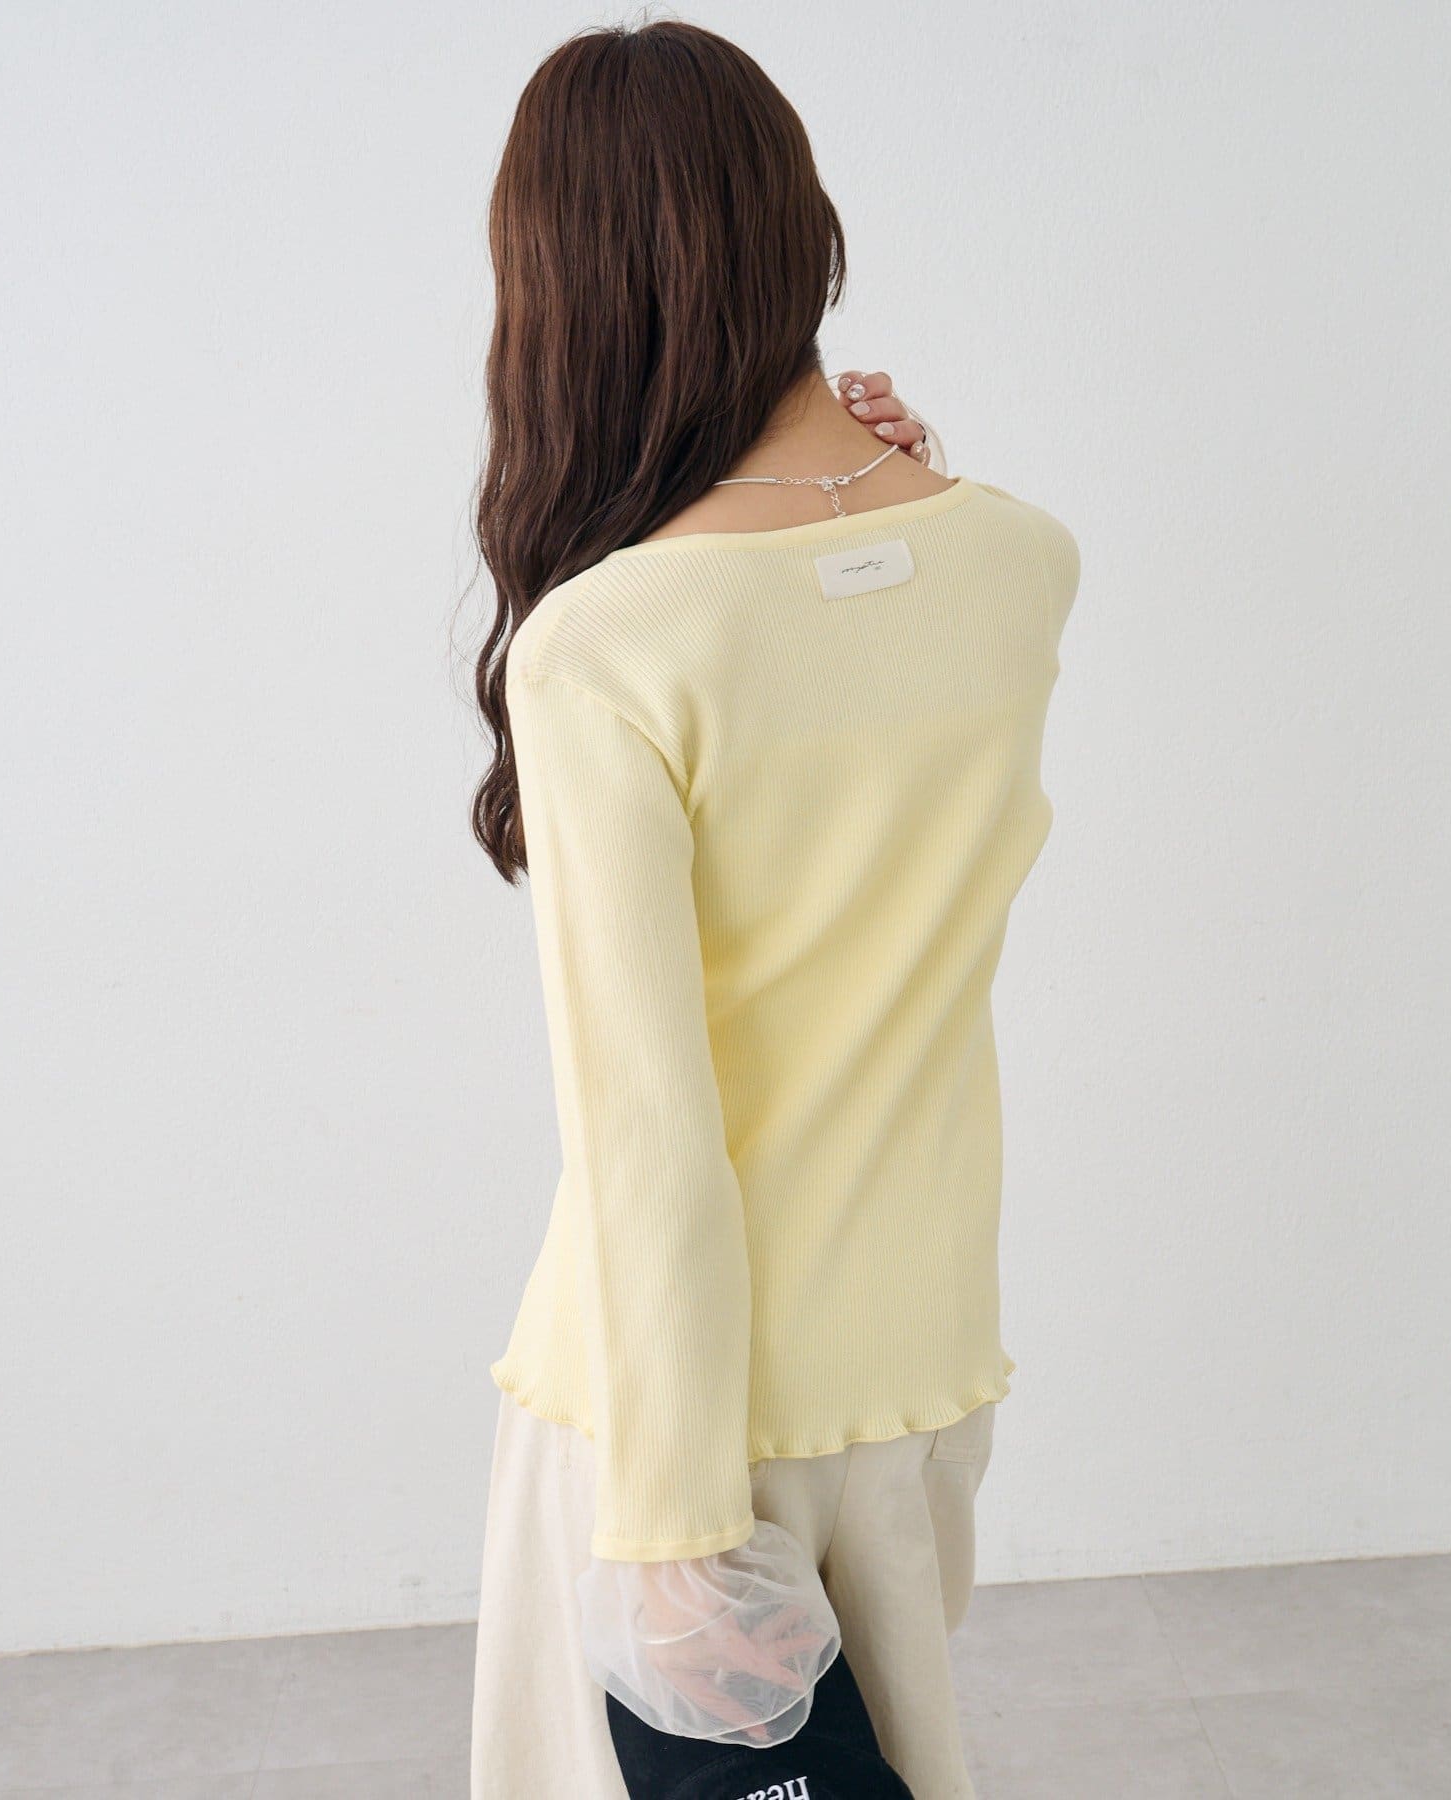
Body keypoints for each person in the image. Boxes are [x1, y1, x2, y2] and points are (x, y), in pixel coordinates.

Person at [466, 20, 1080, 1798]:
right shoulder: (1019, 559)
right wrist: (905, 469)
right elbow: (862, 605)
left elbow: (648, 1133)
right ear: (799, 228)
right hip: (921, 1373)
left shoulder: (606, 645)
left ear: (566, 283)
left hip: (675, 1419)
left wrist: (668, 1526)